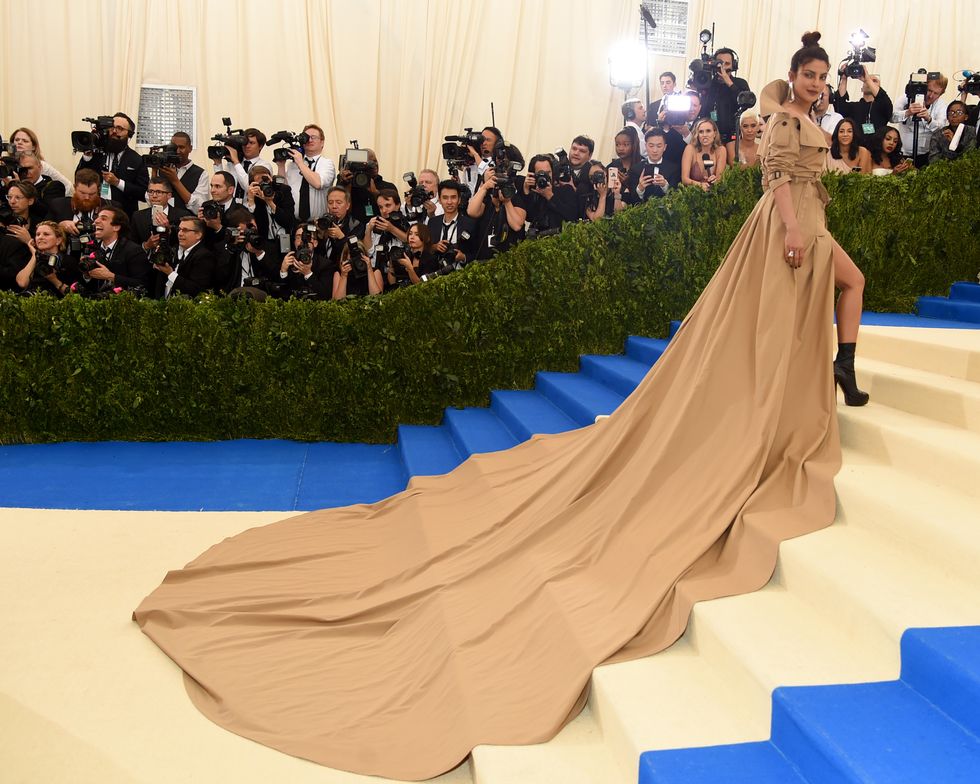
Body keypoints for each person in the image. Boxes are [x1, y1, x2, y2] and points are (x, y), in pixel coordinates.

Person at [134, 31, 861, 782]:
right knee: (775, 322)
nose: (812, 85)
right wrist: (791, 225)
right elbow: (776, 181)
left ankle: (830, 374)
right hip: (789, 234)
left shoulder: (801, 115)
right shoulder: (781, 119)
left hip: (807, 227)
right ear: (793, 75)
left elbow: (794, 158)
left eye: (819, 76)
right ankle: (801, 388)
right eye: (806, 74)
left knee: (833, 295)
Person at [74, 112, 149, 218]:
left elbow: (143, 193)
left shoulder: (137, 160)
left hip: (123, 216)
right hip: (93, 214)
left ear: (130, 134)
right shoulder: (95, 154)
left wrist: (118, 183)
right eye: (112, 127)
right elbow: (79, 179)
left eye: (120, 128)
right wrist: (87, 157)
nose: (114, 131)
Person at [79, 206, 152, 294]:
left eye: (103, 219)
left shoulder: (133, 250)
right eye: (97, 218)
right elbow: (88, 287)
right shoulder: (92, 248)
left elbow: (142, 284)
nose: (96, 221)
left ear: (116, 227)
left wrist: (111, 277)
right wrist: (87, 276)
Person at [278, 124, 336, 221]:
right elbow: (284, 189)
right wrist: (281, 166)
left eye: (313, 137)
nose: (309, 140)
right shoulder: (293, 165)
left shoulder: (327, 163)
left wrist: (300, 163)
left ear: (322, 142)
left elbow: (318, 183)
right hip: (293, 221)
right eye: (306, 137)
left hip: (317, 223)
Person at [891, 73, 949, 168]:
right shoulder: (906, 97)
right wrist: (907, 112)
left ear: (941, 93)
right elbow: (891, 117)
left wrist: (929, 119)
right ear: (924, 87)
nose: (931, 96)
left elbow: (941, 128)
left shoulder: (941, 105)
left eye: (936, 93)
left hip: (925, 156)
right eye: (929, 91)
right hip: (902, 153)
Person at [151, 216, 216, 298]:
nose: (180, 234)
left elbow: (197, 290)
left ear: (198, 235)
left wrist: (170, 273)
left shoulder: (204, 256)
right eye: (179, 229)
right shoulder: (173, 250)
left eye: (185, 230)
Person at [697, 48, 751, 142]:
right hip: (709, 138)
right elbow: (701, 110)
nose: (723, 67)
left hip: (733, 138)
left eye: (727, 64)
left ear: (733, 65)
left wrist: (729, 83)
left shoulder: (740, 83)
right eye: (720, 63)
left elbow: (746, 104)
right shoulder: (708, 84)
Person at [130, 177, 190, 251]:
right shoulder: (138, 216)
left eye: (159, 192)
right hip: (145, 260)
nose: (154, 195)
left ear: (169, 195)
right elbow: (131, 245)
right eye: (151, 191)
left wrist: (169, 230)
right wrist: (146, 245)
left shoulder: (182, 215)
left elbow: (186, 243)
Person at [8, 127, 73, 194]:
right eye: (17, 140)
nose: (20, 142)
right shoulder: (7, 165)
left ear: (33, 147)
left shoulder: (42, 166)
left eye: (25, 141)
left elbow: (68, 186)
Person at [158, 132, 210, 214]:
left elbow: (199, 208)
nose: (178, 151)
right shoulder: (163, 170)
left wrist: (175, 181)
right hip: (162, 219)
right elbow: (150, 200)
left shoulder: (201, 174)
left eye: (181, 147)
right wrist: (154, 170)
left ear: (190, 148)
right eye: (174, 148)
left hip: (188, 223)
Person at [10, 221, 67, 295]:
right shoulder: (32, 258)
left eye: (46, 234)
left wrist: (53, 279)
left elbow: (74, 293)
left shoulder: (67, 261)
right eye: (38, 234)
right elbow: (22, 283)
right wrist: (34, 254)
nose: (40, 237)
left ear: (58, 240)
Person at [832, 69, 894, 136]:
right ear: (861, 89)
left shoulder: (883, 107)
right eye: (866, 81)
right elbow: (840, 106)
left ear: (879, 88)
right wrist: (844, 78)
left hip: (876, 145)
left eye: (874, 81)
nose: (869, 83)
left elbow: (884, 100)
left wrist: (868, 80)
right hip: (856, 145)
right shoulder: (854, 107)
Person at [681, 118, 728, 190]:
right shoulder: (690, 149)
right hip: (694, 193)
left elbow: (720, 178)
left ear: (715, 133)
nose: (704, 135)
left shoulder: (721, 150)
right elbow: (684, 179)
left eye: (708, 131)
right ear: (697, 135)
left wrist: (716, 180)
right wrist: (700, 185)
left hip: (715, 193)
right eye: (701, 132)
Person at [635, 130, 681, 202]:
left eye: (659, 146)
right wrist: (640, 189)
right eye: (651, 146)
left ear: (665, 147)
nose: (655, 150)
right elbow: (632, 200)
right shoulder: (635, 169)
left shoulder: (674, 169)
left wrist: (665, 186)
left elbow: (676, 197)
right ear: (645, 146)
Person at [608, 129, 643, 206]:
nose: (621, 148)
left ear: (634, 145)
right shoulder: (612, 166)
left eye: (626, 144)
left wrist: (628, 182)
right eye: (617, 144)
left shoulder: (642, 165)